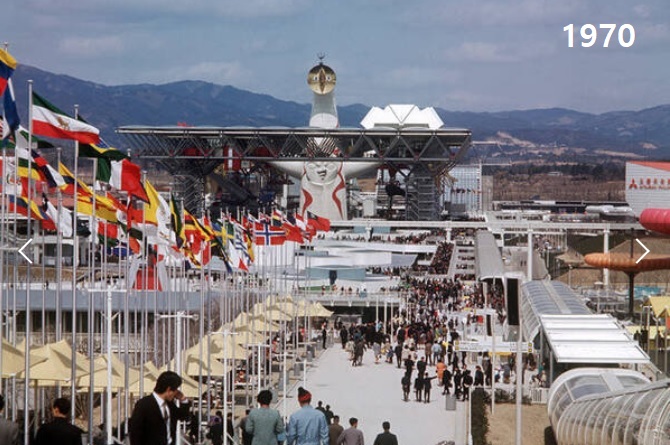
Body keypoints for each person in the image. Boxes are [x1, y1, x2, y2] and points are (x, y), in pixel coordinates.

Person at [129, 370, 191, 445]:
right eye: (175, 390)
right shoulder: (144, 405)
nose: (176, 393)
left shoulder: (169, 404)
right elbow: (135, 433)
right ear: (168, 389)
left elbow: (183, 416)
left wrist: (183, 400)